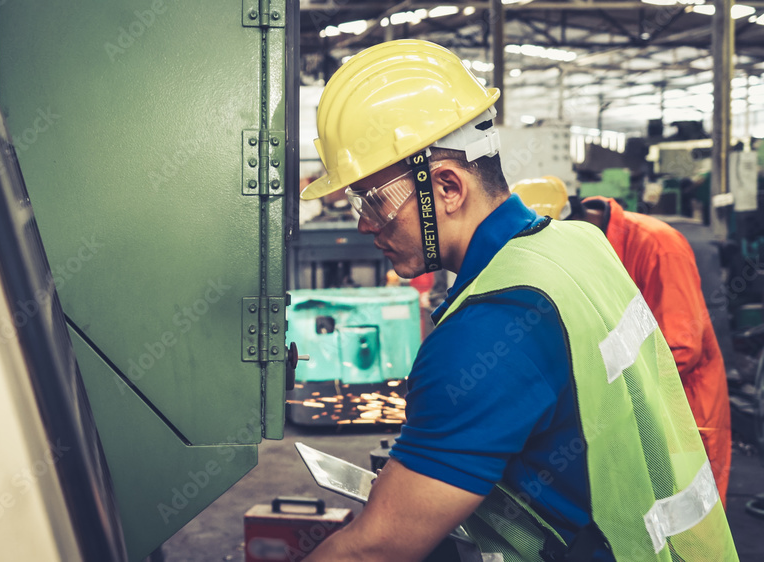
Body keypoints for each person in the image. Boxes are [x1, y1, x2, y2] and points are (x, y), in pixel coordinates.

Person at [299, 39, 736, 561]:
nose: (365, 223)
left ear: (448, 187)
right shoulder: (578, 243)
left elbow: (373, 550)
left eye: (374, 201)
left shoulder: (490, 327)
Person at [513, 176, 733, 506]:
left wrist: (589, 388)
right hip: (638, 414)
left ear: (576, 221)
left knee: (688, 528)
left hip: (683, 415)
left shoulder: (659, 247)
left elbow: (682, 348)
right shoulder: (588, 248)